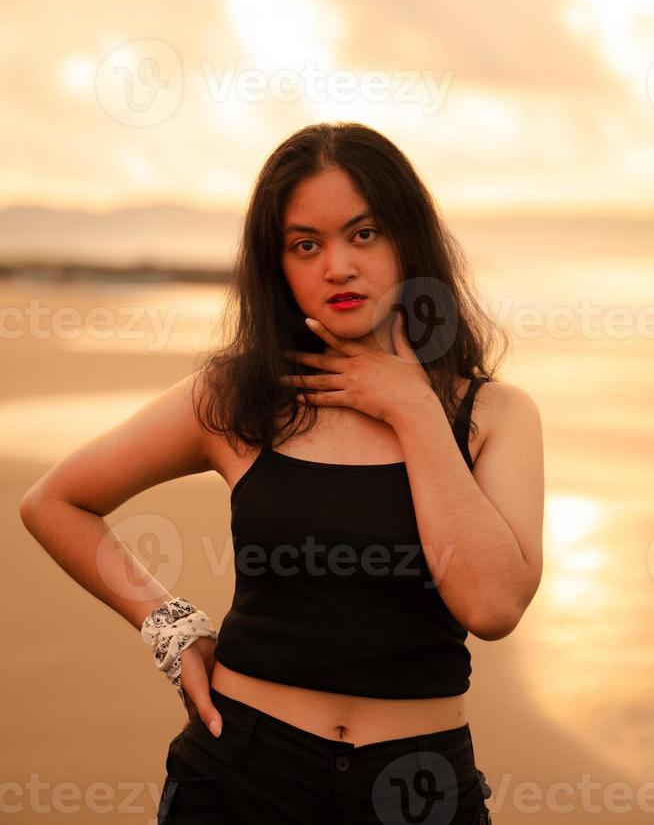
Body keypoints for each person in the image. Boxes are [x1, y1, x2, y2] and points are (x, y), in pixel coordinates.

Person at [20, 121, 545, 825]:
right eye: (306, 244)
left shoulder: (494, 416)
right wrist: (167, 626)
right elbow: (56, 501)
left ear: (409, 241)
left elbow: (493, 607)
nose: (338, 266)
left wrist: (416, 410)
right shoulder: (237, 398)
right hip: (241, 775)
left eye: (364, 234)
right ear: (280, 266)